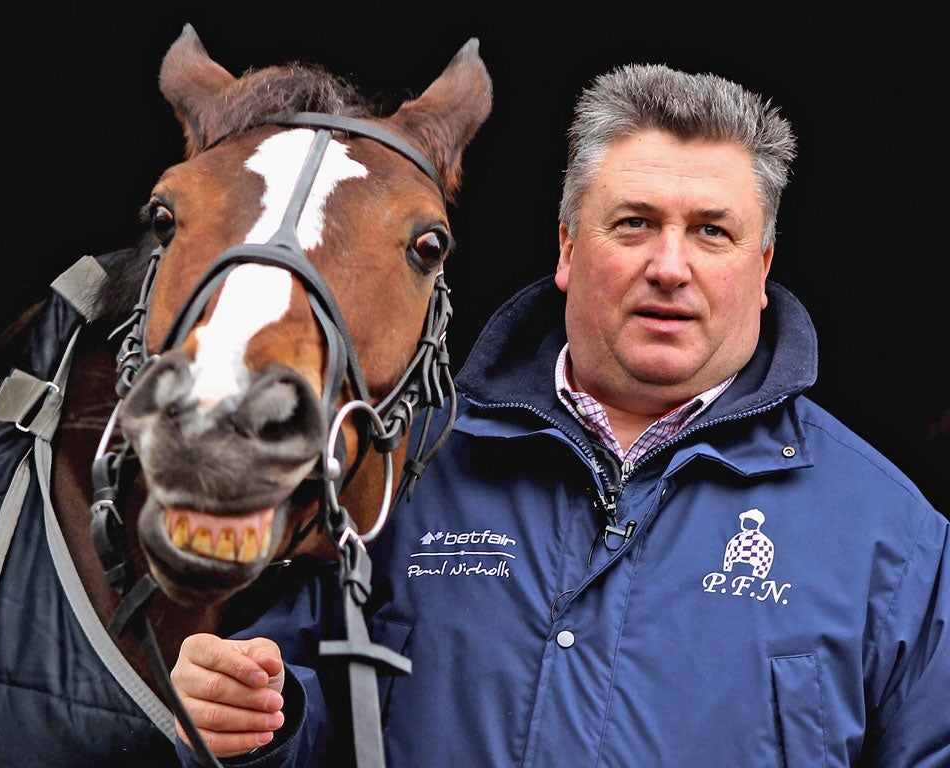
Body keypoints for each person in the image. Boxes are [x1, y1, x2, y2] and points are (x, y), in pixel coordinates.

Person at [170, 63, 950, 767]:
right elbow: (291, 696)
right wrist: (250, 715)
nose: (670, 267)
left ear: (764, 261)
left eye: (712, 231)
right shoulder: (400, 467)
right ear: (568, 248)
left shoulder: (892, 538)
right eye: (634, 223)